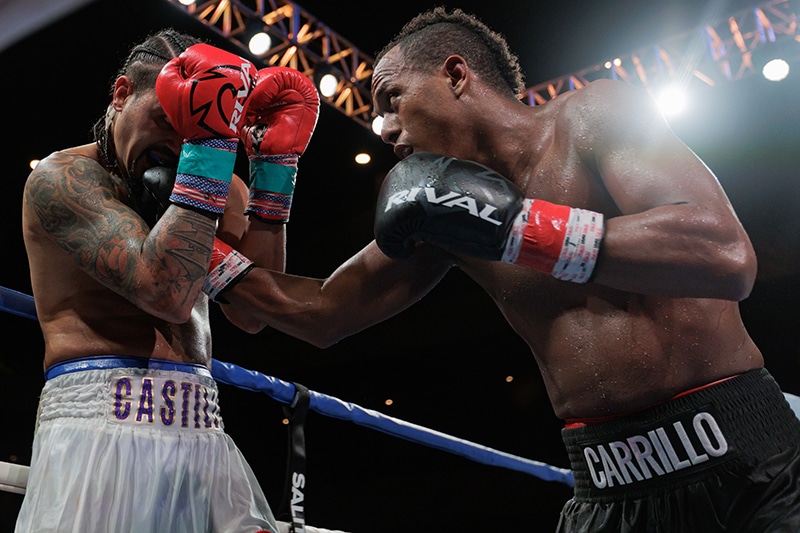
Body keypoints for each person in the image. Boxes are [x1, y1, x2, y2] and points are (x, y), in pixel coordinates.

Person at [210, 7, 800, 532]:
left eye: (392, 99)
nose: (384, 128)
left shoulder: (592, 117)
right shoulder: (444, 209)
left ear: (456, 74)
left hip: (751, 469)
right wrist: (203, 241)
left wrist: (521, 229)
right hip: (608, 490)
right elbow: (321, 315)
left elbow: (724, 254)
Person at [19, 28, 320, 532]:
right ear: (121, 95)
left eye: (195, 129)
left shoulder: (220, 184)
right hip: (100, 430)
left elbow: (250, 315)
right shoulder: (62, 180)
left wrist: (273, 168)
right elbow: (167, 294)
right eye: (167, 119)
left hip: (204, 427)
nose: (179, 146)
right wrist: (209, 148)